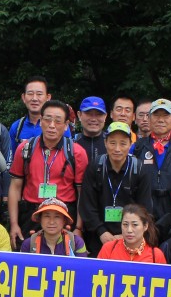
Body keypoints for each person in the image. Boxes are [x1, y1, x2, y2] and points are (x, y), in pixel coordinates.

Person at [7, 100, 88, 246]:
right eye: (47, 119)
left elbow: (82, 194)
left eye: (58, 121)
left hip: (63, 214)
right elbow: (15, 187)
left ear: (66, 125)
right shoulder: (25, 148)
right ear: (40, 121)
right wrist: (14, 224)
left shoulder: (76, 152)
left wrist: (78, 228)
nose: (52, 125)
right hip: (32, 214)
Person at [79, 122, 153, 256]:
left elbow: (144, 207)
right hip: (98, 236)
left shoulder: (139, 169)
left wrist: (126, 234)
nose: (117, 149)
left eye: (123, 143)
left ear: (130, 144)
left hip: (131, 236)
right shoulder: (96, 167)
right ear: (105, 143)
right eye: (112, 143)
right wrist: (101, 231)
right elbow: (87, 204)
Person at [132, 98, 171, 239]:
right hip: (145, 213)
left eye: (165, 115)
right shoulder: (137, 147)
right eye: (156, 115)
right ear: (149, 119)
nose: (160, 120)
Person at [97, 204, 166, 263]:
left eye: (135, 225)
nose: (129, 230)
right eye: (125, 224)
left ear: (145, 226)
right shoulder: (109, 249)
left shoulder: (156, 255)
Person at [19, 197, 88, 256]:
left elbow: (83, 266)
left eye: (57, 216)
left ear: (64, 220)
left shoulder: (76, 243)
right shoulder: (28, 244)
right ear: (40, 219)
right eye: (47, 216)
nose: (51, 222)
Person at [10, 76, 50, 147]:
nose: (34, 98)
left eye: (39, 94)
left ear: (48, 98)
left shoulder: (58, 126)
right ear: (23, 98)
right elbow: (11, 153)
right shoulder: (16, 127)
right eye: (30, 94)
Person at [74, 96, 109, 165]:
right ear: (79, 115)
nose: (93, 119)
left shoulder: (112, 144)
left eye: (98, 114)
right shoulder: (70, 144)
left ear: (105, 116)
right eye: (89, 114)